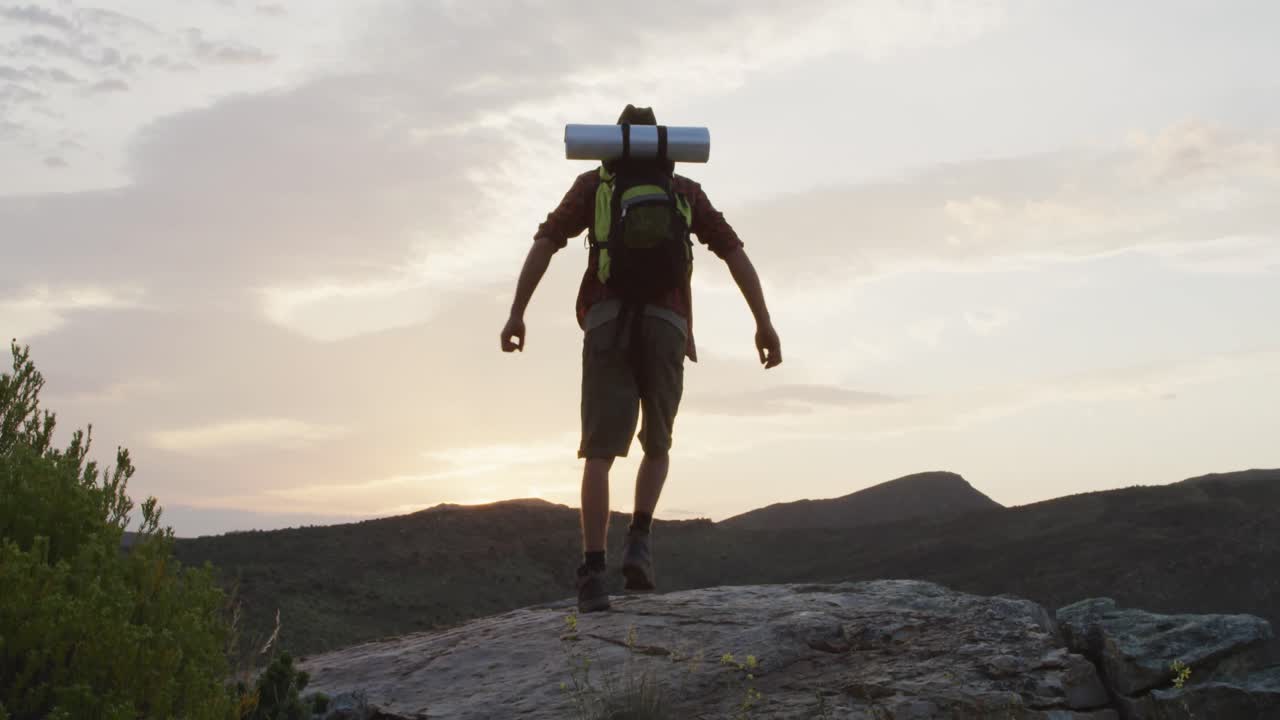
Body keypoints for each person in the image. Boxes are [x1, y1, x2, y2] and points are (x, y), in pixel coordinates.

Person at [500, 105, 781, 612]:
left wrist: (518, 312)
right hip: (668, 325)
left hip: (607, 321)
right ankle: (639, 541)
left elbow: (546, 240)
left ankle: (591, 571)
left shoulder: (594, 185)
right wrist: (763, 322)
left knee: (599, 453)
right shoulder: (683, 191)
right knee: (657, 443)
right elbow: (734, 251)